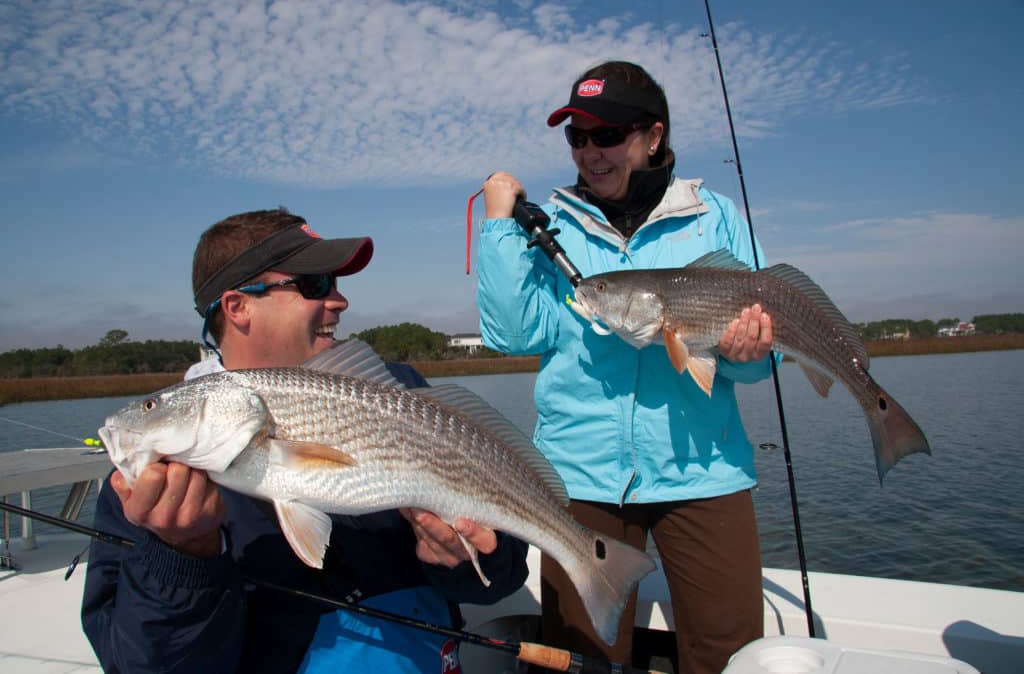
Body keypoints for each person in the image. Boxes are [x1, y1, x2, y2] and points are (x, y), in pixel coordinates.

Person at [82, 209, 529, 673]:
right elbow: (142, 665)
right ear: (238, 307)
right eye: (314, 285)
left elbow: (500, 577)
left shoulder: (400, 395)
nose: (339, 301)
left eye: (334, 282)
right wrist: (182, 558)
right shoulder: (147, 488)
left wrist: (465, 560)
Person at [476, 61, 774, 673]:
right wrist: (501, 225)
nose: (590, 152)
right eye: (576, 137)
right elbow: (511, 334)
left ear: (653, 136)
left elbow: (753, 364)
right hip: (580, 474)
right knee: (582, 651)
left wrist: (746, 357)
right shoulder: (550, 222)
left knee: (729, 651)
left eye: (606, 135)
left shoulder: (713, 217)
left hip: (705, 467)